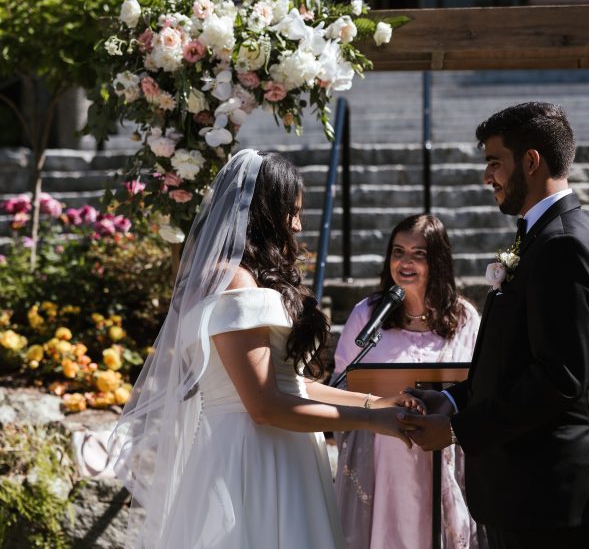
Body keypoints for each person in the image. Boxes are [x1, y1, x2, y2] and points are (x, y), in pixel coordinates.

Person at [108, 149, 422, 549]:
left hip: (283, 448)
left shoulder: (246, 278)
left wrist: (375, 403)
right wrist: (372, 423)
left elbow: (292, 384)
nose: (296, 224)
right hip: (252, 458)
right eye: (290, 211)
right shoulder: (234, 281)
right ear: (265, 210)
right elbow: (263, 405)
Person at [400, 103, 589, 549]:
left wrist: (456, 431)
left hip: (551, 490)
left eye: (494, 161)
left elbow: (559, 378)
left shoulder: (564, 244)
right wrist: (452, 399)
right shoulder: (542, 236)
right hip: (529, 488)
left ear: (530, 161)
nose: (488, 176)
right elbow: (515, 358)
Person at [332, 214, 485, 549]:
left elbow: (480, 386)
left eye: (418, 254)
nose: (405, 262)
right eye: (398, 252)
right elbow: (340, 384)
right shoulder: (367, 314)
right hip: (383, 464)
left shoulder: (464, 318)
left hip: (443, 455)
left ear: (438, 261)